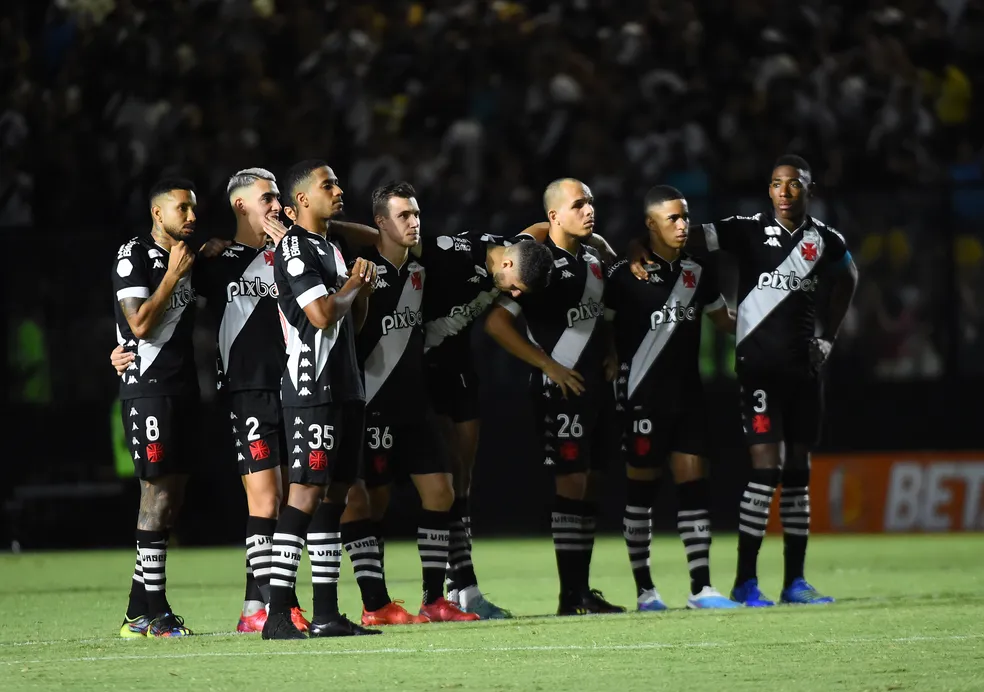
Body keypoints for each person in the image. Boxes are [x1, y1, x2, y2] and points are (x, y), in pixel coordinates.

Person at [632, 156, 858, 606]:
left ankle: (795, 582)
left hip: (804, 371)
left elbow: (848, 276)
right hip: (757, 369)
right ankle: (745, 581)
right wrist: (641, 244)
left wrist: (827, 339)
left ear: (808, 189)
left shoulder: (826, 240)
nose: (783, 191)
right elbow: (688, 238)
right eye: (776, 183)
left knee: (797, 472)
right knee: (765, 469)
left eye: (793, 185)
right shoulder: (747, 229)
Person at [484, 178, 625, 615]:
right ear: (554, 216)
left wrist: (613, 352)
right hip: (559, 389)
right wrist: (547, 365)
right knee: (571, 484)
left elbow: (599, 316)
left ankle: (582, 589)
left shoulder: (595, 259)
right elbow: (497, 323)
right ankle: (571, 595)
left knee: (593, 484)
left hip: (595, 387)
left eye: (591, 203)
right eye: (578, 204)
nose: (589, 210)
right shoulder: (539, 265)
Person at [606, 185, 740, 610]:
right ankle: (645, 590)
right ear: (650, 224)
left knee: (694, 486)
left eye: (685, 217)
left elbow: (724, 321)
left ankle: (701, 587)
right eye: (673, 219)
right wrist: (610, 365)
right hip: (642, 395)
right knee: (641, 492)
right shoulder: (624, 275)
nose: (683, 225)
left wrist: (770, 320)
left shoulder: (699, 270)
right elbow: (601, 329)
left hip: (688, 396)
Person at [415, 215, 555, 618]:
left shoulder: (511, 248)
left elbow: (544, 226)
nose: (511, 294)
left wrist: (601, 242)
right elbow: (396, 241)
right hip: (422, 370)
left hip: (459, 366)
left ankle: (463, 587)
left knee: (463, 481)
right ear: (508, 266)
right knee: (442, 482)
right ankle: (448, 588)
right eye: (514, 287)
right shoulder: (453, 253)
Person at [264, 159, 381, 639]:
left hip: (346, 384)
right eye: (326, 184)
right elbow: (317, 315)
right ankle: (276, 615)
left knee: (335, 495)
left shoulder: (330, 247)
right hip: (313, 387)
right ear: (302, 201)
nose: (337, 189)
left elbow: (351, 322)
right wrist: (353, 283)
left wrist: (363, 290)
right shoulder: (294, 246)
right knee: (305, 495)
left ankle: (328, 613)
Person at [355, 181, 481, 624]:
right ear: (380, 223)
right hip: (370, 403)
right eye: (404, 216)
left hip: (414, 403)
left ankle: (433, 598)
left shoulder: (421, 271)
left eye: (416, 214)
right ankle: (376, 604)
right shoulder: (361, 271)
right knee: (371, 503)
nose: (414, 222)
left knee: (440, 492)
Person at [112, 178, 200, 637]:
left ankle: (135, 610)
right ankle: (158, 611)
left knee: (175, 495)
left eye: (193, 209)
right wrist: (172, 275)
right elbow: (140, 324)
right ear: (156, 213)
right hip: (148, 387)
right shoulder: (135, 255)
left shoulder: (190, 253)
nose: (190, 216)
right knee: (156, 495)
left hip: (182, 386)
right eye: (181, 208)